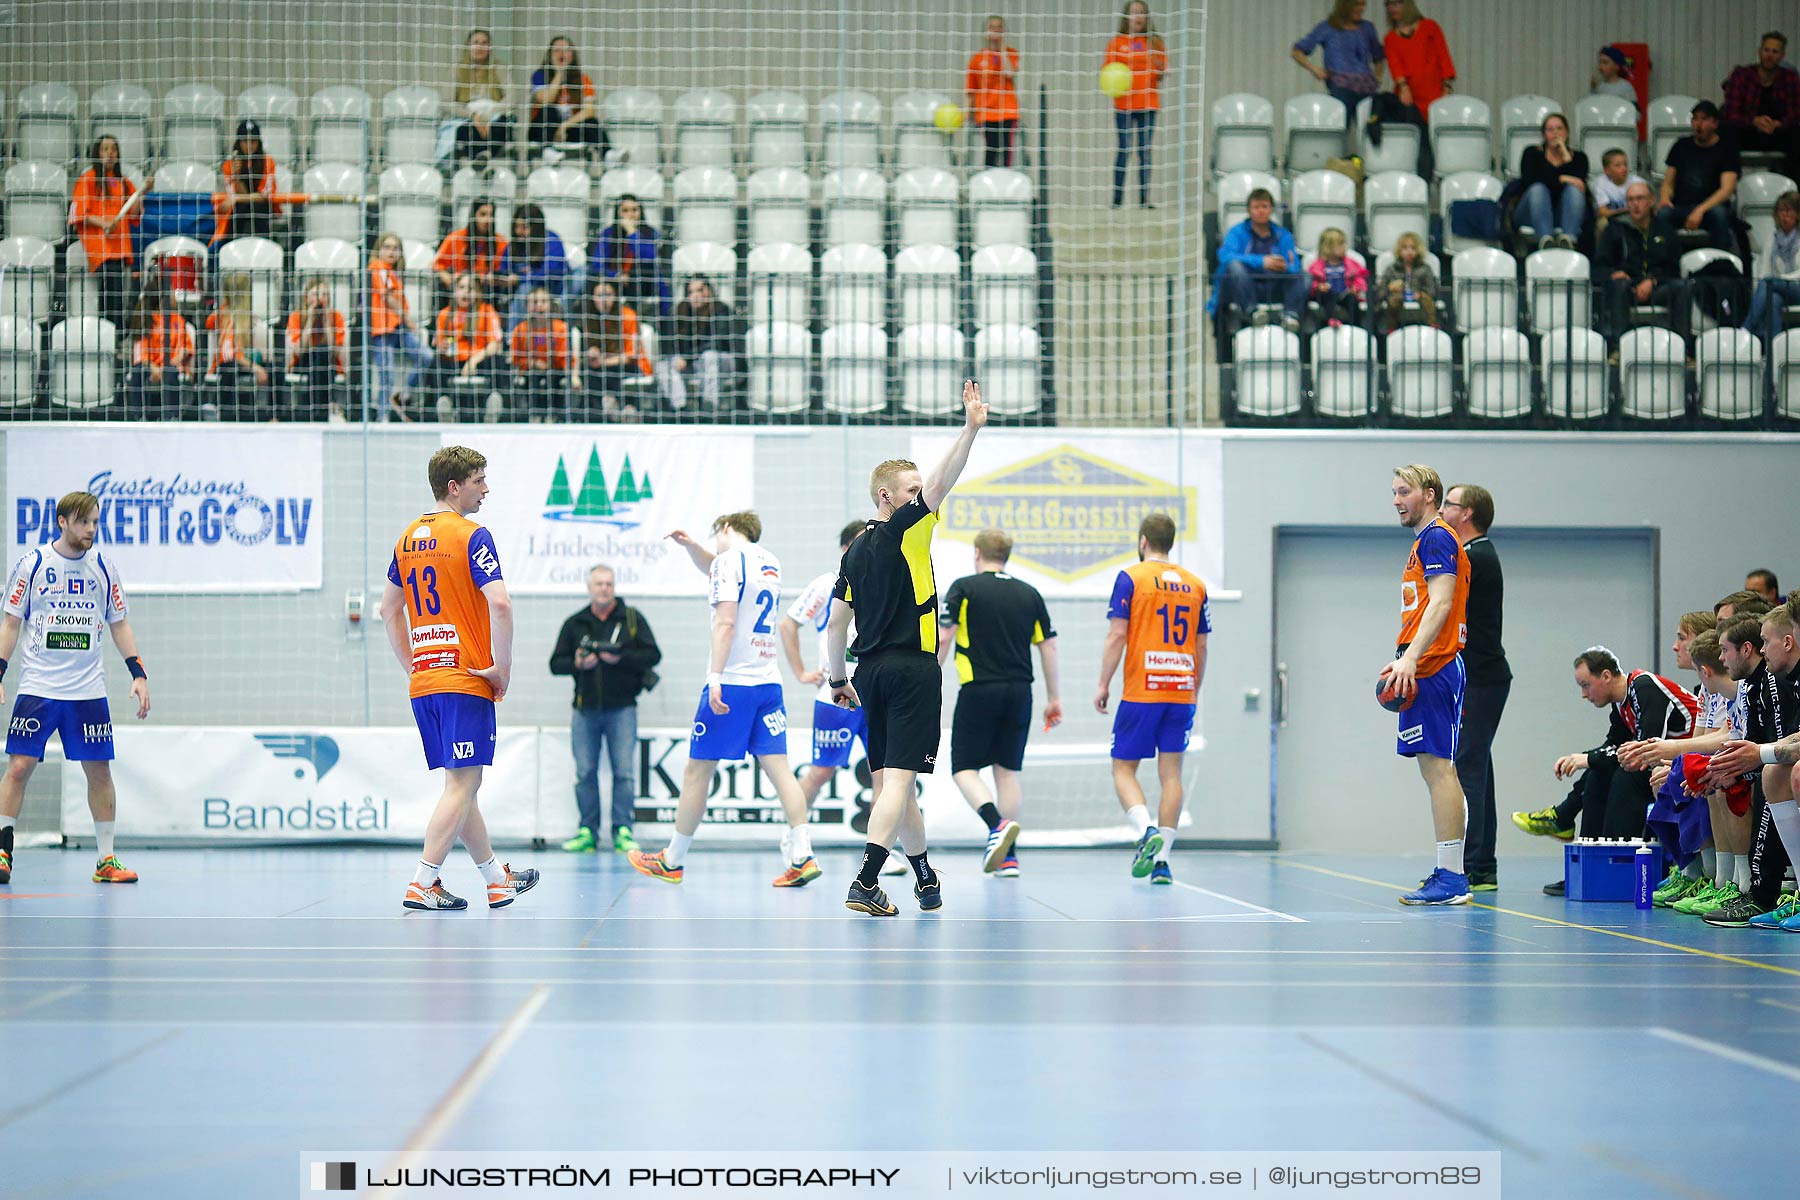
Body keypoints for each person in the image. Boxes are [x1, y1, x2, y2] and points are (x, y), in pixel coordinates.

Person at [824, 380, 988, 915]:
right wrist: (969, 430)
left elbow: (835, 624)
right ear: (886, 497)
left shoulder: (853, 555)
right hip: (913, 671)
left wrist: (837, 680)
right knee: (898, 778)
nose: (921, 496)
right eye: (911, 490)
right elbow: (945, 480)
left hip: (868, 673)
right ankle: (867, 880)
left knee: (898, 783)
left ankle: (923, 877)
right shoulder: (908, 530)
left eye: (918, 491)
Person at [382, 446, 537, 912]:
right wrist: (501, 668)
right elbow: (502, 604)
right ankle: (423, 882)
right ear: (455, 486)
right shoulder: (473, 535)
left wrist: (413, 663)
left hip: (425, 682)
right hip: (465, 677)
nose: (485, 488)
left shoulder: (407, 538)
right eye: (479, 479)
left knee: (461, 785)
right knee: (462, 786)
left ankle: (496, 879)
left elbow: (389, 610)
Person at [629, 512, 818, 888]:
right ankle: (803, 854)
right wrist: (693, 549)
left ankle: (673, 859)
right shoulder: (769, 561)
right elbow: (720, 570)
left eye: (714, 537)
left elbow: (726, 621)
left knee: (698, 771)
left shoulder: (729, 561)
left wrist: (714, 677)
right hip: (768, 683)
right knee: (780, 770)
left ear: (727, 529)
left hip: (732, 684)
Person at [0, 491, 151, 887]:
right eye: (84, 522)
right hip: (39, 686)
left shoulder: (102, 566)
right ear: (62, 522)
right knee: (19, 767)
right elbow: (11, 623)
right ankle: (2, 851)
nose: (91, 530)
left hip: (87, 691)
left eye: (96, 523)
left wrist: (138, 672)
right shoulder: (32, 565)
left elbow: (119, 623)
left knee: (99, 771)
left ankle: (105, 861)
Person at [937, 528, 1062, 878]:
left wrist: (929, 676)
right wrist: (1054, 698)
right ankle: (1009, 857)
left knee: (963, 768)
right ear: (1006, 555)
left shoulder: (964, 588)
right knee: (1007, 772)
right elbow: (1048, 647)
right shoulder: (1029, 594)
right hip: (1021, 690)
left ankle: (996, 826)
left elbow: (945, 634)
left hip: (980, 689)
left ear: (977, 553)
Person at [1093, 512, 1209, 886]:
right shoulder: (1196, 584)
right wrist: (1194, 687)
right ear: (1171, 542)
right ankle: (1162, 862)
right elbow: (1202, 645)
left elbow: (1116, 635)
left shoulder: (1131, 577)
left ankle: (1145, 831)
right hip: (1181, 688)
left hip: (1143, 688)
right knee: (1171, 773)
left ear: (1143, 541)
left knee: (1123, 768)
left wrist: (1103, 683)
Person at [1379, 465, 1471, 906]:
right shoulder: (1424, 542)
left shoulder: (1437, 537)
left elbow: (1442, 602)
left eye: (1404, 492)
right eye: (1393, 492)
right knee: (1433, 770)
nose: (1397, 500)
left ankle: (1452, 877)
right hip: (1424, 665)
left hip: (1435, 666)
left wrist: (1412, 658)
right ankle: (1448, 871)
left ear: (1429, 495)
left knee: (1440, 770)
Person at [550, 564, 661, 856]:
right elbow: (555, 664)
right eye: (599, 583)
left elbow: (653, 654)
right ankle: (588, 830)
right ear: (589, 587)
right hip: (585, 710)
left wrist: (619, 658)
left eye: (609, 584)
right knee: (585, 771)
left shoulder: (631, 619)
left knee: (624, 772)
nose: (604, 589)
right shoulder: (576, 623)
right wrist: (577, 663)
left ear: (614, 587)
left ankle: (623, 829)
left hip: (622, 709)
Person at [1700, 603, 1800, 928]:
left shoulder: (1775, 680)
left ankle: (1760, 891)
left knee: (1779, 772)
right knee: (1748, 773)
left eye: (1765, 640)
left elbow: (1777, 741)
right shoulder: (1763, 682)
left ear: (1789, 639)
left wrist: (1758, 756)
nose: (1762, 647)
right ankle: (1740, 884)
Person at [1440, 484, 1508, 892]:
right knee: (1477, 765)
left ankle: (1470, 863)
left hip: (1482, 676)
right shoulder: (1474, 556)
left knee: (1467, 766)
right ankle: (1482, 863)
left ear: (1466, 514)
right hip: (1482, 676)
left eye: (1448, 503)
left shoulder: (1474, 557)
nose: (1442, 509)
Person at [69, 134, 142, 335]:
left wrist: (140, 195)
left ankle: (115, 331)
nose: (109, 154)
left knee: (117, 291)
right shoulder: (88, 179)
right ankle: (112, 331)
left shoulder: (124, 182)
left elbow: (135, 213)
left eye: (113, 149)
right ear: (97, 153)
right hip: (100, 246)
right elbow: (79, 213)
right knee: (111, 289)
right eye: (105, 149)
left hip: (119, 245)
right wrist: (104, 223)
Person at [1597, 181, 1686, 343]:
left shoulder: (1665, 230)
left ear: (1651, 201)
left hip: (1657, 287)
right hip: (1625, 288)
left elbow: (1674, 267)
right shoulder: (1615, 229)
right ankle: (1618, 346)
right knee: (1619, 286)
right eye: (1630, 200)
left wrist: (1653, 280)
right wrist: (1614, 273)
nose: (1635, 204)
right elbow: (1599, 266)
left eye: (1640, 198)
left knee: (1682, 286)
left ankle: (1683, 346)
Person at [1209, 187, 1305, 335]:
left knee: (1305, 275)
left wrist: (1284, 267)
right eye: (1256, 207)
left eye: (1265, 207)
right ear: (1249, 210)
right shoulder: (1236, 232)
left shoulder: (1283, 235)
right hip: (1243, 287)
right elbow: (1225, 256)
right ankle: (1252, 311)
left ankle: (1291, 315)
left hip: (1274, 285)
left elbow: (1295, 265)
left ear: (1271, 209)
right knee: (1234, 266)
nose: (1260, 211)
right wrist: (1261, 262)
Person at [1103, 2, 1168, 207]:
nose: (1138, 17)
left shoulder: (1155, 43)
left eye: (1141, 13)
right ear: (1126, 17)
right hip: (1124, 105)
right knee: (1124, 150)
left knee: (1144, 151)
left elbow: (1163, 72)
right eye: (1134, 13)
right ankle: (1117, 201)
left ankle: (1144, 201)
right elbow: (1108, 73)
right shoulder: (1116, 43)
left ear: (1147, 17)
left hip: (1148, 105)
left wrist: (1161, 69)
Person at [1658, 100, 1740, 251]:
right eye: (1695, 119)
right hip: (1682, 206)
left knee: (1720, 214)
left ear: (1715, 123)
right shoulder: (1680, 146)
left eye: (1703, 119)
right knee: (1662, 214)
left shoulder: (1727, 149)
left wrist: (1700, 210)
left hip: (1711, 208)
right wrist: (1664, 198)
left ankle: (1721, 264)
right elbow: (1668, 183)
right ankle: (1662, 266)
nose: (1698, 124)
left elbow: (1726, 191)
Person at [367, 233, 431, 422]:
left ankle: (402, 395)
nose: (391, 252)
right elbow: (387, 297)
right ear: (379, 250)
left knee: (425, 356)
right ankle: (382, 417)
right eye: (387, 247)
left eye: (395, 248)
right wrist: (409, 321)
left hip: (397, 327)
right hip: (383, 329)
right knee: (386, 374)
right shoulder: (378, 268)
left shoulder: (392, 272)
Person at [1292, 0, 1385, 129]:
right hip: (1341, 87)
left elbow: (1379, 56)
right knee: (1339, 130)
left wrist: (1377, 78)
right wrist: (1315, 69)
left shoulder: (1367, 28)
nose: (1361, 8)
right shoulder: (1327, 27)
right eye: (1357, 4)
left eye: (1363, 4)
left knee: (1371, 133)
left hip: (1367, 89)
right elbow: (1297, 51)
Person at [1720, 31, 1800, 182]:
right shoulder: (1742, 75)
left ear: (1782, 55)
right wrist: (1754, 121)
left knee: (1797, 133)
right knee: (1727, 131)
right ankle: (1730, 185)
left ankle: (1792, 191)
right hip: (1748, 131)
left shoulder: (1790, 77)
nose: (1769, 55)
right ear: (1759, 51)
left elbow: (1795, 112)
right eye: (1766, 50)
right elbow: (1731, 112)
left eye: (1775, 52)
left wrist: (1779, 124)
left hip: (1777, 132)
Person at [657, 275, 741, 413]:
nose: (695, 295)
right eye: (690, 292)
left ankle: (709, 406)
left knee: (710, 357)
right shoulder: (681, 311)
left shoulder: (721, 310)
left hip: (723, 362)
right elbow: (670, 342)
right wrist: (678, 358)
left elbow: (718, 343)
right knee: (663, 366)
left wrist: (687, 357)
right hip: (694, 362)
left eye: (700, 290)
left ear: (710, 291)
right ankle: (680, 408)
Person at [430, 272, 506, 423]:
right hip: (455, 360)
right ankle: (444, 405)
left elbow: (494, 344)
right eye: (461, 287)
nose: (465, 292)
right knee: (436, 364)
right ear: (455, 291)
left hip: (479, 360)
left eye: (470, 288)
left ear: (478, 292)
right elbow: (439, 343)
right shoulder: (445, 314)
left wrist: (473, 361)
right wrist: (442, 346)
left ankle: (491, 406)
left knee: (497, 362)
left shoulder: (487, 311)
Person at [575, 278, 652, 422]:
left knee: (610, 371)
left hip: (632, 366)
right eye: (599, 295)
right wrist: (591, 353)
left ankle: (621, 409)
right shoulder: (590, 319)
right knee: (588, 372)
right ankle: (598, 414)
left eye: (608, 295)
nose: (604, 300)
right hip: (602, 366)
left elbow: (631, 356)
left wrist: (603, 361)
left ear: (616, 296)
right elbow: (584, 354)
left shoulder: (628, 316)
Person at [124, 277, 196, 421]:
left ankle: (171, 417)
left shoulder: (177, 319)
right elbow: (141, 352)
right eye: (170, 292)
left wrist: (176, 359)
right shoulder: (145, 319)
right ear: (162, 297)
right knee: (138, 371)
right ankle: (137, 417)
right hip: (151, 365)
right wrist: (153, 367)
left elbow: (185, 345)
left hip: (172, 364)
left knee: (170, 372)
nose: (174, 295)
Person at [528, 36, 606, 164]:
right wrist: (559, 73)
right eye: (557, 50)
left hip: (568, 131)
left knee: (592, 122)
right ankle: (547, 151)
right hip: (542, 130)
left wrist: (564, 126)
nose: (562, 54)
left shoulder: (583, 79)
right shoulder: (540, 76)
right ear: (550, 55)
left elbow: (589, 111)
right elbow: (546, 100)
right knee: (549, 110)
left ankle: (609, 154)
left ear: (573, 55)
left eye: (566, 50)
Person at [206, 272, 273, 422]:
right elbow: (230, 355)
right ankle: (223, 413)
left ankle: (274, 416)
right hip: (229, 364)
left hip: (244, 361)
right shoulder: (224, 316)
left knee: (275, 367)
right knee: (231, 367)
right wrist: (255, 367)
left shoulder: (247, 318)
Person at [1516, 113, 1588, 250]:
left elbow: (1580, 184)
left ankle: (1569, 240)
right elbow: (1530, 181)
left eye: (1559, 128)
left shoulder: (1579, 158)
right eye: (1550, 129)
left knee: (1574, 190)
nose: (1555, 133)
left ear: (1566, 132)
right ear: (1544, 134)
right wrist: (1563, 178)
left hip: (1564, 213)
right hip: (1531, 211)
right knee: (1539, 189)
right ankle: (1546, 241)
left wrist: (1566, 156)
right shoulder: (1532, 153)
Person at [592, 194, 669, 319]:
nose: (631, 215)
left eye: (634, 210)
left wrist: (632, 233)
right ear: (618, 213)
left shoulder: (651, 233)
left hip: (643, 281)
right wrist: (617, 276)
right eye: (625, 211)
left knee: (642, 275)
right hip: (614, 282)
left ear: (640, 211)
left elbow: (650, 258)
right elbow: (597, 265)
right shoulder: (608, 234)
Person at [284, 277, 349, 422]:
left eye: (324, 295)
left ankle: (316, 409)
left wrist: (326, 323)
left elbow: (334, 352)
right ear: (306, 297)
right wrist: (310, 321)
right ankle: (325, 407)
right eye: (315, 294)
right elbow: (298, 351)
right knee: (317, 353)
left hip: (328, 363)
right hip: (303, 362)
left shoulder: (336, 317)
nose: (320, 299)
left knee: (322, 353)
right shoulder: (296, 316)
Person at [494, 204, 570, 326]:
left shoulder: (551, 240)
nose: (519, 231)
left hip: (553, 290)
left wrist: (520, 279)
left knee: (525, 289)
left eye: (524, 227)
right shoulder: (513, 247)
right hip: (518, 292)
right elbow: (504, 269)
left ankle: (512, 337)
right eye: (517, 227)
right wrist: (499, 279)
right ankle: (510, 338)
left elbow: (553, 272)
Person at [507, 286, 574, 422]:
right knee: (533, 377)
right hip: (529, 373)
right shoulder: (520, 329)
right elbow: (515, 359)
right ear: (526, 306)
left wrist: (571, 375)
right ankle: (533, 416)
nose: (539, 306)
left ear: (550, 305)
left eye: (543, 302)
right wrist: (533, 363)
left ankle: (553, 416)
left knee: (551, 378)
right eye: (534, 302)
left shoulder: (560, 327)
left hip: (554, 371)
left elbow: (564, 358)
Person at [210, 120, 279, 247]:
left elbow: (264, 196)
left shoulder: (268, 162)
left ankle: (266, 247)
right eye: (245, 141)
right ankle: (230, 248)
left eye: (253, 141)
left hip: (262, 206)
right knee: (239, 210)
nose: (249, 145)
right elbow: (236, 195)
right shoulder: (229, 165)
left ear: (258, 143)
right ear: (239, 143)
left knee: (255, 209)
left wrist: (236, 198)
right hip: (240, 206)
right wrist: (236, 176)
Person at [1744, 190, 1800, 346]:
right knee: (1773, 300)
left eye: (1788, 211)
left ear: (1797, 213)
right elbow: (1764, 270)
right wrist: (1772, 282)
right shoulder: (1773, 237)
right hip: (1776, 287)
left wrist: (1778, 280)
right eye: (1781, 211)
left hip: (1797, 288)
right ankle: (1772, 357)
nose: (1784, 216)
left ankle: (1745, 331)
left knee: (1769, 283)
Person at [452, 29, 515, 165]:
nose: (480, 46)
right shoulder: (457, 70)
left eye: (484, 43)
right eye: (476, 42)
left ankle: (481, 160)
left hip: (494, 116)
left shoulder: (499, 68)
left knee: (501, 127)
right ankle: (482, 160)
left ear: (489, 47)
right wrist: (473, 116)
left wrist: (489, 115)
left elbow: (512, 97)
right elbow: (446, 103)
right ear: (468, 46)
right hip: (468, 118)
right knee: (465, 130)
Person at [1381, 1, 1454, 119]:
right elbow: (1395, 66)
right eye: (1389, 5)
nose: (1392, 8)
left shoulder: (1430, 27)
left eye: (1397, 3)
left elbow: (1444, 57)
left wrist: (1446, 87)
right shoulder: (1390, 38)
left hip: (1435, 94)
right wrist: (1404, 87)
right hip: (1409, 98)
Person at [966, 15, 1022, 169]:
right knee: (991, 148)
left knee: (1006, 150)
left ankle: (1006, 181)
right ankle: (989, 183)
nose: (996, 30)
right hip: (986, 112)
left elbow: (1010, 73)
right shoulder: (977, 59)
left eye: (999, 27)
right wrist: (968, 112)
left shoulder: (1011, 53)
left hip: (1007, 111)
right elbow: (971, 89)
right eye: (992, 27)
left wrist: (1001, 49)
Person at [434, 200, 508, 299]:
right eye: (483, 214)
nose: (487, 219)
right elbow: (437, 265)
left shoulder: (501, 242)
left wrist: (496, 279)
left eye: (491, 215)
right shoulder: (455, 238)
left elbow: (504, 271)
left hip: (487, 290)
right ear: (473, 216)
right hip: (460, 288)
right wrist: (449, 279)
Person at [1375, 230, 1438, 332]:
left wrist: (1420, 294)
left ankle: (1432, 326)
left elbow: (1432, 290)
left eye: (1413, 248)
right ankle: (1391, 328)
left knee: (1427, 299)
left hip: (1420, 298)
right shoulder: (1391, 269)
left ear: (1418, 250)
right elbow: (1380, 292)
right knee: (1393, 301)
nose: (1409, 251)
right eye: (1405, 248)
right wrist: (1390, 288)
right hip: (1398, 298)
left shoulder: (1425, 268)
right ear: (1399, 250)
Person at [1307, 227, 1368, 328]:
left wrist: (1356, 287)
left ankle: (1357, 327)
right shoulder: (1317, 265)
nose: (1345, 247)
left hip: (1345, 294)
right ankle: (1332, 320)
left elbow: (1360, 278)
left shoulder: (1351, 264)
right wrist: (1318, 286)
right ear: (1328, 247)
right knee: (1328, 296)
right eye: (1341, 244)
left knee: (1352, 300)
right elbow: (1310, 282)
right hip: (1326, 294)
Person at [1591, 148, 1645, 228]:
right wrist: (1625, 210)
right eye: (1618, 165)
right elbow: (1603, 212)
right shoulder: (1601, 183)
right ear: (1607, 170)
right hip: (1612, 219)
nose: (1624, 168)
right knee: (1602, 223)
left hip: (1634, 217)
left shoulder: (1639, 182)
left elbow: (1647, 208)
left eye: (1625, 164)